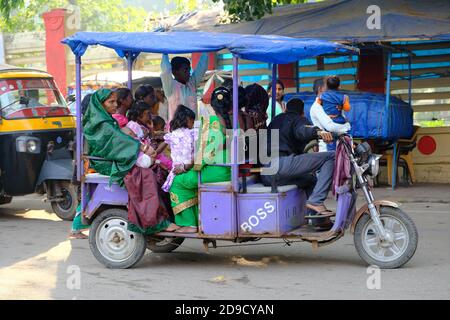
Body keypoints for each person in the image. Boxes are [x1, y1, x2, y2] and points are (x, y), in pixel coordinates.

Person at [82, 88, 174, 234]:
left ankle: (165, 216)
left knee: (157, 172)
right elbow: (118, 141)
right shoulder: (100, 123)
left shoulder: (107, 119)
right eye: (110, 102)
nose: (115, 105)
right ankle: (153, 222)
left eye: (115, 101)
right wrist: (142, 147)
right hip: (105, 162)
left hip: (114, 156)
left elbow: (120, 139)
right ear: (100, 104)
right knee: (144, 176)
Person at [261, 98, 336, 228]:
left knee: (310, 180)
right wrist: (318, 132)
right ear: (302, 112)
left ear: (285, 109)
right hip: (280, 165)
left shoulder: (276, 120)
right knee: (331, 157)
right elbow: (302, 130)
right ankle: (316, 201)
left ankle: (318, 220)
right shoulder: (297, 120)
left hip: (267, 174)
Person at [160, 53, 209, 122]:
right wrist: (165, 52)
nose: (189, 73)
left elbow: (202, 67)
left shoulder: (192, 83)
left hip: (192, 129)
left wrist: (205, 50)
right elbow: (166, 71)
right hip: (176, 130)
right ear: (174, 72)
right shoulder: (170, 86)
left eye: (189, 70)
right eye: (185, 70)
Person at [309, 78, 351, 152]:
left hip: (339, 147)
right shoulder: (316, 107)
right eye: (328, 87)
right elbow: (330, 127)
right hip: (327, 150)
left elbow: (343, 117)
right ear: (321, 89)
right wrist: (347, 126)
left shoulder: (333, 103)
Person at [125, 102, 157, 168]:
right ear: (139, 114)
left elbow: (152, 142)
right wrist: (144, 137)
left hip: (149, 153)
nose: (149, 117)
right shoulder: (133, 125)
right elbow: (134, 143)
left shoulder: (143, 126)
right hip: (140, 158)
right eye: (147, 114)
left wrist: (151, 129)